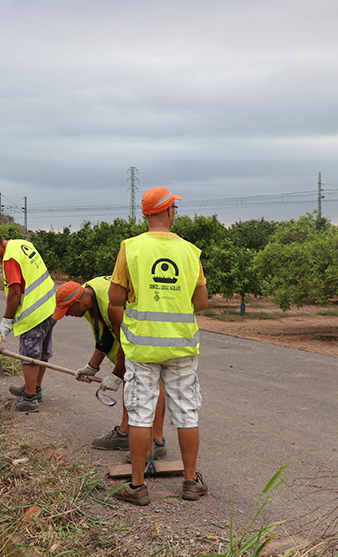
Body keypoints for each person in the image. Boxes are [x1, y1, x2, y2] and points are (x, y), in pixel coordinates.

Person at [107, 187, 209, 506]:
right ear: (168, 212)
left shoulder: (131, 248)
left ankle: (137, 487)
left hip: (143, 347)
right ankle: (190, 482)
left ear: (147, 214)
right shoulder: (191, 252)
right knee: (187, 411)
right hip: (180, 346)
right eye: (174, 208)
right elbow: (201, 303)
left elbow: (115, 298)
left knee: (140, 413)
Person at [53, 279, 167, 460]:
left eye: (67, 311)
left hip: (150, 327)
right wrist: (92, 366)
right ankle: (125, 433)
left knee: (152, 379)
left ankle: (156, 441)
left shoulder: (111, 304)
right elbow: (107, 332)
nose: (67, 315)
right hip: (129, 328)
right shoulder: (90, 299)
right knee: (131, 377)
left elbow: (125, 342)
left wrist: (116, 375)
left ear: (77, 303)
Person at [0, 227, 56, 412]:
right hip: (50, 306)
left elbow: (15, 293)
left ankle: (29, 398)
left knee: (29, 354)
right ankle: (34, 387)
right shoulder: (21, 244)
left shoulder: (10, 258)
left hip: (34, 312)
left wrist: (7, 319)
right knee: (42, 352)